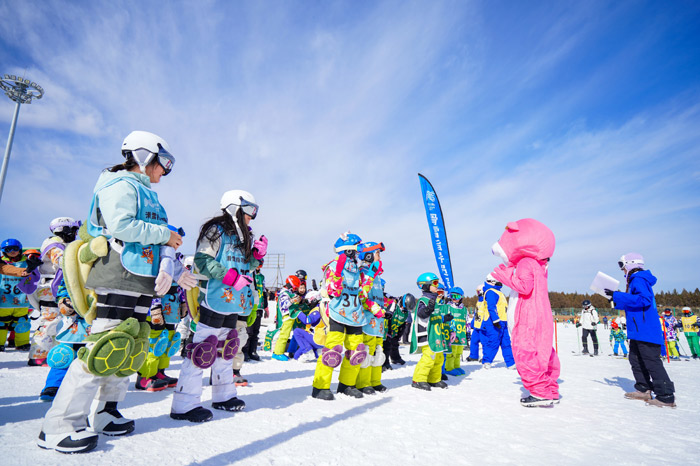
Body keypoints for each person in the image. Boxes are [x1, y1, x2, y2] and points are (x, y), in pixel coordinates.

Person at [38, 131, 194, 453]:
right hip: (118, 274)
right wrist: (165, 234)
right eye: (163, 162)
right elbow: (122, 226)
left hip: (141, 281)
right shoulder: (119, 185)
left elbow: (158, 243)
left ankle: (107, 411)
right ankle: (58, 425)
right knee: (104, 346)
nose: (164, 171)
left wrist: (176, 271)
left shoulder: (149, 194)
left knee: (131, 347)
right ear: (142, 156)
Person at [171, 189, 266, 422]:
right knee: (202, 348)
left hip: (235, 301)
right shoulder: (216, 231)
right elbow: (203, 261)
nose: (251, 217)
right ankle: (184, 404)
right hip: (215, 296)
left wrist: (257, 256)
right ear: (235, 208)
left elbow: (247, 266)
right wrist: (229, 277)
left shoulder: (244, 236)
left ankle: (224, 395)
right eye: (249, 211)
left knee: (227, 348)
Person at [490, 218, 560, 407]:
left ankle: (539, 391)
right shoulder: (539, 264)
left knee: (525, 350)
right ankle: (550, 388)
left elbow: (524, 287)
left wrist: (504, 276)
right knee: (543, 350)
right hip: (541, 313)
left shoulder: (526, 262)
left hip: (528, 314)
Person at [603, 253, 675, 407]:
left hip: (645, 329)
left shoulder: (639, 279)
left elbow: (644, 300)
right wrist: (615, 299)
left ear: (630, 264)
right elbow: (634, 304)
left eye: (622, 266)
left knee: (651, 361)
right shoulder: (635, 281)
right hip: (637, 330)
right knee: (635, 359)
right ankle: (643, 389)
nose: (622, 270)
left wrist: (619, 295)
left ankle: (666, 395)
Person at [311, 232, 371, 400]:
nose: (359, 252)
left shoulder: (357, 269)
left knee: (356, 351)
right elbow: (332, 291)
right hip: (338, 313)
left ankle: (347, 384)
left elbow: (362, 293)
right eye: (357, 248)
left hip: (355, 314)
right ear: (349, 250)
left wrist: (369, 279)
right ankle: (320, 386)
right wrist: (337, 274)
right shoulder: (333, 266)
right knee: (333, 350)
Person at [29, 218, 81, 366]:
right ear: (64, 230)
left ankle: (57, 353)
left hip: (59, 287)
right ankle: (38, 354)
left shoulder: (65, 244)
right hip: (50, 288)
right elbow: (61, 261)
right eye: (74, 230)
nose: (75, 234)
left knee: (62, 322)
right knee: (50, 322)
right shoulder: (54, 245)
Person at [355, 241, 388, 395]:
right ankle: (363, 382)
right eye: (377, 254)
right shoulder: (362, 273)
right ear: (368, 255)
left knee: (378, 351)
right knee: (367, 350)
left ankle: (375, 381)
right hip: (368, 317)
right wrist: (372, 306)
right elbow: (361, 294)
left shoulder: (377, 276)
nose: (379, 257)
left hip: (379, 320)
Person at [410, 273, 450, 391]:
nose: (437, 286)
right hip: (427, 335)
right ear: (426, 286)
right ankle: (418, 379)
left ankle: (434, 379)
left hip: (436, 335)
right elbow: (421, 314)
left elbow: (434, 317)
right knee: (428, 358)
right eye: (435, 283)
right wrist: (428, 309)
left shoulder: (434, 300)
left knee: (438, 358)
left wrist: (444, 319)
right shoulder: (423, 300)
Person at [0, 239, 35, 351]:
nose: (12, 251)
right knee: (1, 323)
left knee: (22, 322)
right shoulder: (2, 263)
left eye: (15, 249)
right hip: (4, 300)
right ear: (4, 251)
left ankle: (22, 343)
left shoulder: (27, 262)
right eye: (8, 249)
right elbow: (7, 269)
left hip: (22, 300)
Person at [480, 274, 515, 369]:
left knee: (506, 342)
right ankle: (487, 361)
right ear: (493, 281)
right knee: (493, 341)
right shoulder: (491, 292)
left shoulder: (499, 292)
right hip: (493, 322)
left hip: (503, 321)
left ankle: (510, 362)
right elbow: (491, 307)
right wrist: (495, 320)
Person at [243, 260, 267, 361]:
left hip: (259, 306)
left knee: (256, 331)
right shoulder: (249, 273)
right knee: (248, 330)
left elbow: (264, 292)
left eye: (259, 265)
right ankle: (244, 351)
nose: (258, 267)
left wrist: (266, 307)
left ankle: (253, 351)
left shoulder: (261, 277)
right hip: (250, 305)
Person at [444, 287, 468, 376]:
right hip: (452, 334)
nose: (454, 298)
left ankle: (456, 366)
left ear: (461, 297)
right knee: (452, 352)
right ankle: (449, 367)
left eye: (457, 296)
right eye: (452, 296)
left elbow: (466, 321)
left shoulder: (464, 309)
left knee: (459, 352)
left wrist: (468, 332)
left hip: (461, 334)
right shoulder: (448, 307)